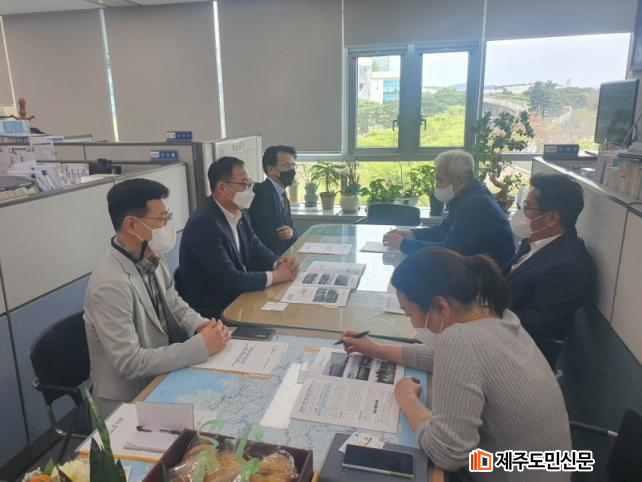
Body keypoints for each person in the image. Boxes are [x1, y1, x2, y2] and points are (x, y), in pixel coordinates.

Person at [340, 248, 571, 480]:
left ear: (441, 307)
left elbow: (447, 454)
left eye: (410, 314)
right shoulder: (496, 315)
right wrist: (379, 350)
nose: (414, 324)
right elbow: (446, 359)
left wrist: (407, 398)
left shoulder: (460, 339)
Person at [84, 179, 230, 415]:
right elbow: (130, 363)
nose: (167, 226)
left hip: (162, 376)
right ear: (132, 225)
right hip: (129, 399)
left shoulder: (151, 256)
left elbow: (174, 303)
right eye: (162, 219)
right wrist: (200, 346)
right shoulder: (109, 284)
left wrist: (200, 325)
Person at [178, 156, 298, 318]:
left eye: (250, 184)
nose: (250, 191)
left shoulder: (240, 211)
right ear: (222, 187)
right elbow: (229, 279)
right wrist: (276, 276)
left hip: (239, 296)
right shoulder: (204, 223)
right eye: (244, 185)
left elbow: (255, 247)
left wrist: (278, 262)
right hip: (216, 309)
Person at [504, 173, 592, 365]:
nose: (521, 213)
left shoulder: (568, 266)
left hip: (522, 354)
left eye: (527, 207)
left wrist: (485, 314)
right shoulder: (535, 240)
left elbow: (538, 324)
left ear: (552, 218)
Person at [382, 150, 515, 266]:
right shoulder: (469, 195)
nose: (437, 185)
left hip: (488, 277)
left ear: (460, 181)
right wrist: (411, 234)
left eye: (440, 180)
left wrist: (403, 244)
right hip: (478, 266)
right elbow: (444, 230)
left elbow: (450, 251)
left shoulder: (474, 204)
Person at [249, 145, 298, 255]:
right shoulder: (259, 193)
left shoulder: (282, 194)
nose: (292, 170)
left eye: (293, 166)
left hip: (284, 256)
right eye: (287, 166)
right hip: (267, 259)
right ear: (271, 169)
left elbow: (291, 226)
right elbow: (256, 234)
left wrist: (291, 232)